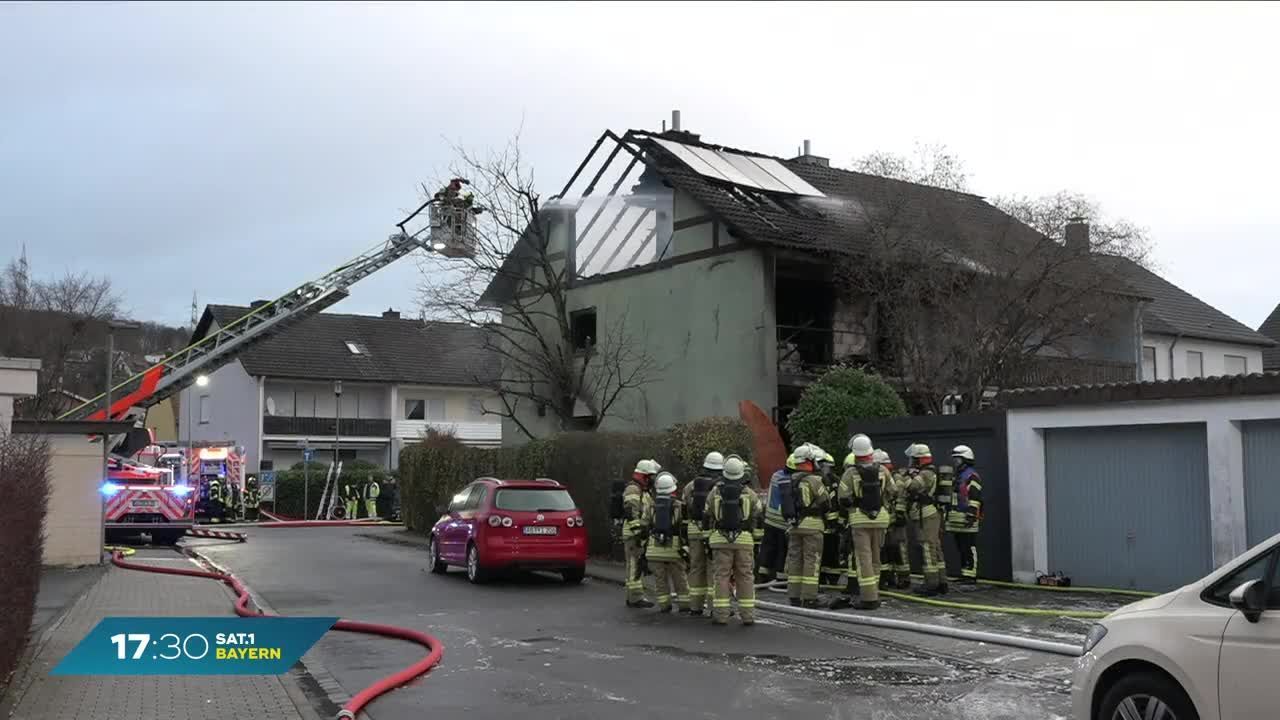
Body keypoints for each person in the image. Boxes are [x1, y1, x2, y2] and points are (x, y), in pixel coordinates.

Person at [836, 435, 891, 610]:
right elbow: (894, 491)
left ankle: (868, 598)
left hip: (860, 519)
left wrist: (853, 506)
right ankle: (874, 593)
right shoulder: (883, 470)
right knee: (876, 557)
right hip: (881, 518)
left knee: (863, 558)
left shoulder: (850, 473)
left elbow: (842, 497)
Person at [703, 455, 758, 626]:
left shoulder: (715, 492)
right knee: (746, 577)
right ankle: (747, 616)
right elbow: (758, 517)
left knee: (721, 576)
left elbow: (706, 516)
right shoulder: (750, 494)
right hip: (744, 540)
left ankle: (721, 615)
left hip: (720, 540)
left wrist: (707, 539)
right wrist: (755, 540)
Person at [784, 445, 830, 608]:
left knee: (795, 560)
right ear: (809, 461)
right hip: (812, 525)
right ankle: (809, 597)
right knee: (812, 560)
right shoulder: (814, 480)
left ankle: (794, 596)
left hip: (794, 525)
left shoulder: (789, 480)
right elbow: (826, 502)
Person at [681, 451, 722, 615]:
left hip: (693, 531)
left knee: (696, 567)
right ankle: (714, 607)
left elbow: (684, 510)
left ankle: (695, 606)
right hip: (711, 531)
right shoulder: (720, 487)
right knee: (713, 568)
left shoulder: (690, 486)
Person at [903, 443, 945, 596]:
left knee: (927, 548)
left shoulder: (926, 473)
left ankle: (931, 584)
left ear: (919, 459)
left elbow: (912, 487)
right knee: (935, 548)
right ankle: (941, 582)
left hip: (926, 515)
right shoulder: (927, 471)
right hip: (929, 514)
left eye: (913, 459)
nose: (911, 462)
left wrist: (906, 476)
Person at [648, 472, 690, 613]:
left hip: (654, 549)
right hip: (674, 549)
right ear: (673, 489)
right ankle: (685, 606)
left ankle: (664, 606)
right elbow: (684, 526)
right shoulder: (679, 506)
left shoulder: (651, 505)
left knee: (660, 580)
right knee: (680, 578)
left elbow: (644, 524)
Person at [623, 459, 660, 608]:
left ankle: (635, 596)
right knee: (634, 566)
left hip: (639, 534)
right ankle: (634, 598)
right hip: (633, 535)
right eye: (650, 476)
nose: (652, 480)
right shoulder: (633, 490)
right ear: (644, 476)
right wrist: (639, 533)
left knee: (637, 565)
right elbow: (631, 512)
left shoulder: (643, 491)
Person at [946, 445, 984, 582]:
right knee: (961, 547)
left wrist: (972, 515)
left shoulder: (971, 476)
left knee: (969, 546)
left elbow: (975, 496)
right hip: (957, 518)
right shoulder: (958, 476)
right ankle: (965, 574)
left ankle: (971, 575)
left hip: (968, 518)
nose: (955, 463)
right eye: (954, 460)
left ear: (966, 460)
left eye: (958, 460)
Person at [757, 456, 795, 584]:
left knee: (767, 548)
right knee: (782, 551)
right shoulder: (790, 480)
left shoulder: (776, 475)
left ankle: (762, 575)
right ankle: (781, 579)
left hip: (769, 519)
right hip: (782, 522)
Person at [877, 449, 911, 589]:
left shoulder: (895, 477)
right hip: (886, 521)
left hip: (896, 521)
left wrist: (900, 514)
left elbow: (900, 495)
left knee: (899, 549)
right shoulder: (884, 475)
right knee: (886, 550)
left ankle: (904, 578)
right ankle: (888, 578)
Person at [818, 451, 844, 588]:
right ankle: (822, 578)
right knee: (822, 553)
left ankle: (833, 577)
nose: (824, 469)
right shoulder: (818, 480)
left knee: (832, 551)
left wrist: (838, 521)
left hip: (831, 525)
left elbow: (839, 501)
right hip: (821, 524)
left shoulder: (835, 481)